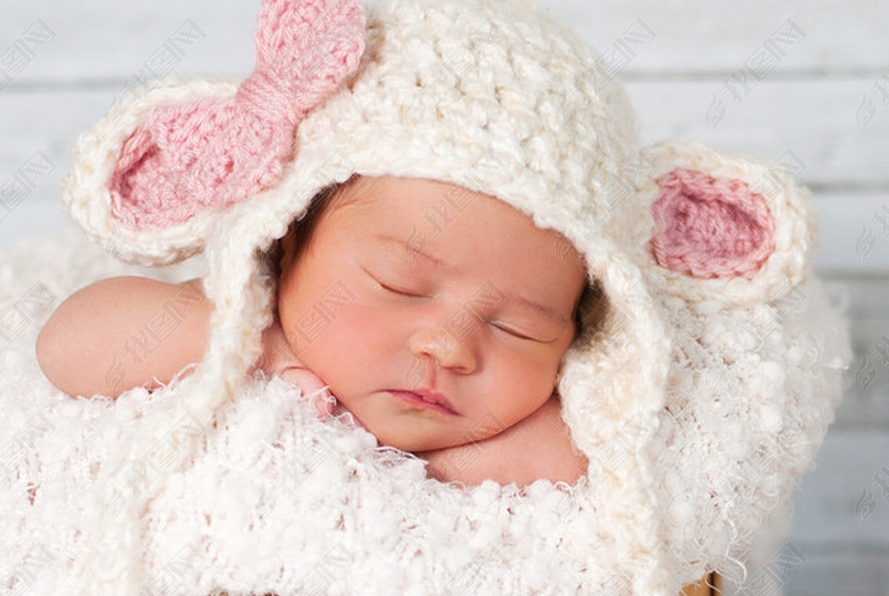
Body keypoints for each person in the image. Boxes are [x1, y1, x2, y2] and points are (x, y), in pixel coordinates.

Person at [36, 172, 590, 488]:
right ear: (288, 243)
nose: (450, 349)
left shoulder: (544, 418)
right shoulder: (251, 315)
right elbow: (68, 344)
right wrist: (255, 346)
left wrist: (415, 469)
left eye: (518, 330)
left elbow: (585, 455)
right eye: (400, 286)